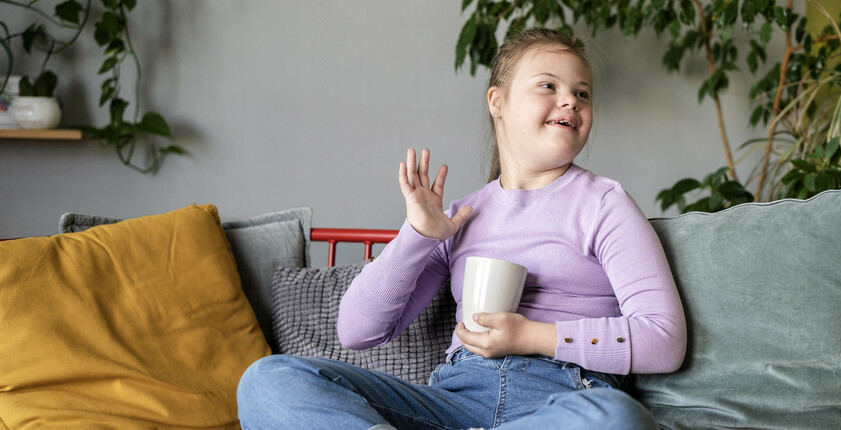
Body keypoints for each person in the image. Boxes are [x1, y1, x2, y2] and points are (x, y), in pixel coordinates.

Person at [237, 28, 686, 430]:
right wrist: (417, 235)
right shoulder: (458, 216)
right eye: (549, 85)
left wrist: (530, 335)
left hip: (562, 399)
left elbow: (664, 340)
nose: (570, 100)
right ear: (498, 102)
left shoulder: (604, 204)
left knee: (615, 417)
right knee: (268, 380)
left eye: (582, 93)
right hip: (453, 404)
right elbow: (357, 331)